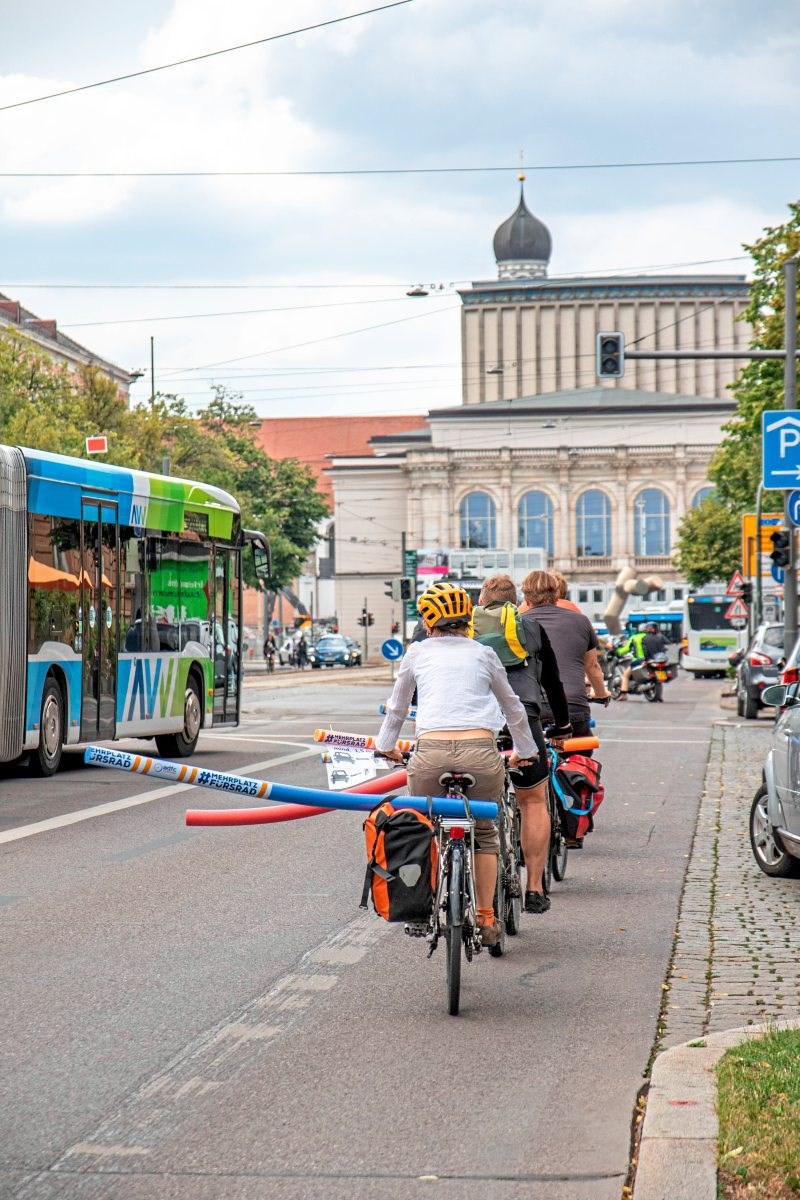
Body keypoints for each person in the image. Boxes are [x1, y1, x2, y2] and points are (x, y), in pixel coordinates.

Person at [374, 583, 538, 948]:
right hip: (481, 754)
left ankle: (420, 910)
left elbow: (397, 708)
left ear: (427, 622)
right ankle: (485, 917)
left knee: (424, 829)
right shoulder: (483, 654)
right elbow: (512, 706)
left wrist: (385, 747)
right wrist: (526, 749)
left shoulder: (416, 653)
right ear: (469, 620)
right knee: (483, 834)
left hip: (429, 757)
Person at [475, 574, 571, 915]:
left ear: (481, 600)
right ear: (516, 603)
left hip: (478, 727)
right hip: (523, 722)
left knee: (465, 801)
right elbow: (553, 682)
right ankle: (534, 887)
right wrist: (562, 724)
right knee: (532, 801)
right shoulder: (529, 628)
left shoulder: (464, 628)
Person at [520, 570, 610, 739]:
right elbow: (592, 667)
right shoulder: (581, 621)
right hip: (573, 707)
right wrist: (601, 693)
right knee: (582, 752)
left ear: (526, 598)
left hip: (529, 709)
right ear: (557, 596)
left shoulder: (516, 623)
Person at [617, 621, 669, 700]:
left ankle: (623, 694)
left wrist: (617, 651)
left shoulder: (635, 637)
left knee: (625, 675)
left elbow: (626, 649)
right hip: (655, 659)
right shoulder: (656, 637)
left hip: (640, 660)